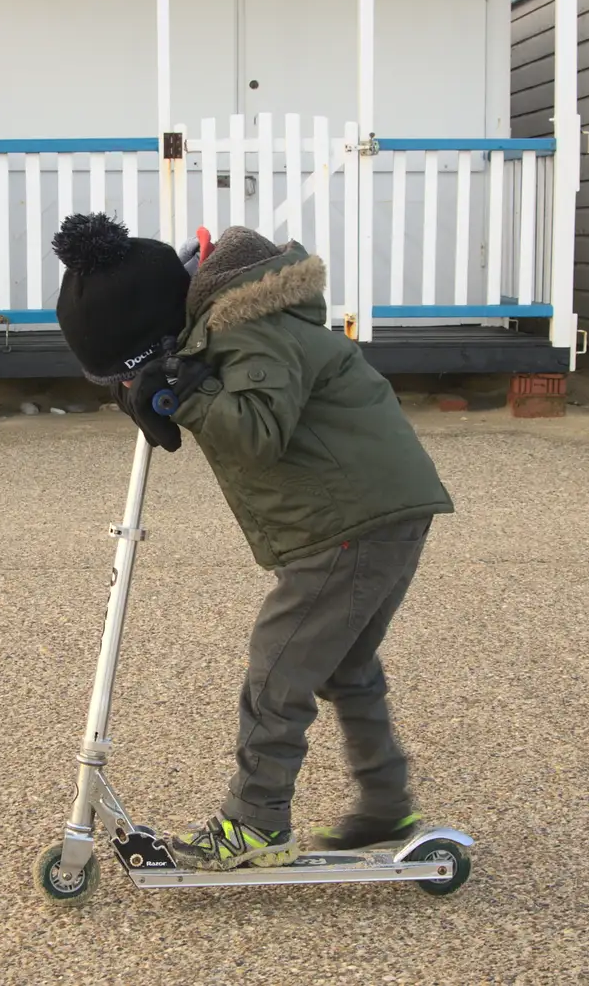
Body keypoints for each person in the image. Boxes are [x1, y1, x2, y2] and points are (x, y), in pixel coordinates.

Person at [52, 213, 453, 871]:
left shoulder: (248, 327)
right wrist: (164, 392)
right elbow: (221, 401)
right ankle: (385, 803)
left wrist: (186, 389)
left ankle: (257, 820)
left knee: (277, 666)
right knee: (342, 667)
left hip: (349, 522)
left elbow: (258, 429)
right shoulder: (231, 323)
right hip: (373, 511)